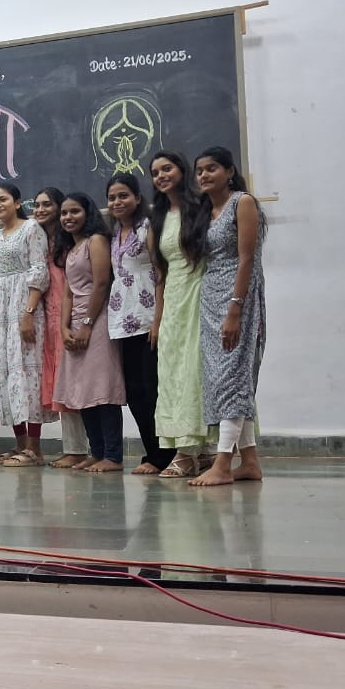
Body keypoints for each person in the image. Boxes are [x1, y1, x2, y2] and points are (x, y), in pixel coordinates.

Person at [189, 146, 267, 487]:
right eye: (200, 171)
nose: (204, 175)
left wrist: (236, 307)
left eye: (212, 168)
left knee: (232, 378)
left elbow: (247, 258)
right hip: (211, 299)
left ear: (229, 171)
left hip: (238, 298)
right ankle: (249, 462)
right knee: (224, 380)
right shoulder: (206, 211)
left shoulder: (242, 202)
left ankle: (222, 464)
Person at [147, 151, 213, 479]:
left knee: (196, 370)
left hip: (200, 293)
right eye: (155, 172)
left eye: (167, 168)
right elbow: (159, 274)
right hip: (173, 299)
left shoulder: (202, 207)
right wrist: (157, 319)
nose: (161, 176)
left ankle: (195, 451)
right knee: (172, 373)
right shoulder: (157, 218)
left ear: (182, 170)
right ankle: (187, 449)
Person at [105, 173, 175, 475]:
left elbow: (160, 275)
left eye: (123, 195)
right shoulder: (113, 234)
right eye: (112, 197)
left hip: (148, 318)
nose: (117, 202)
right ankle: (152, 452)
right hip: (123, 321)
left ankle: (165, 455)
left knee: (152, 389)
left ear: (137, 197)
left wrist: (158, 320)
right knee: (133, 391)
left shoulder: (147, 227)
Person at [52, 192, 126, 473]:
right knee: (81, 389)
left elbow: (101, 284)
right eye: (64, 213)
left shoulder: (96, 241)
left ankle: (113, 455)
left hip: (97, 320)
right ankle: (96, 452)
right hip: (75, 324)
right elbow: (68, 293)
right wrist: (63, 327)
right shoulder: (72, 249)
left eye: (75, 211)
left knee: (102, 388)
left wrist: (86, 324)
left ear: (88, 213)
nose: (68, 217)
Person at [0, 183, 49, 466]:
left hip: (24, 308)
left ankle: (34, 448)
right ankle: (20, 444)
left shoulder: (32, 228)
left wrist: (28, 313)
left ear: (18, 202)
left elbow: (39, 271)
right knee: (7, 373)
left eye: (3, 199)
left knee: (27, 374)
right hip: (1, 312)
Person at [32, 187, 89, 469]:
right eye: (36, 205)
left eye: (47, 204)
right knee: (61, 384)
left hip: (72, 317)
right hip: (49, 320)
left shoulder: (71, 242)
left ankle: (84, 449)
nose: (40, 210)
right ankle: (73, 449)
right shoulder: (40, 241)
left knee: (77, 382)